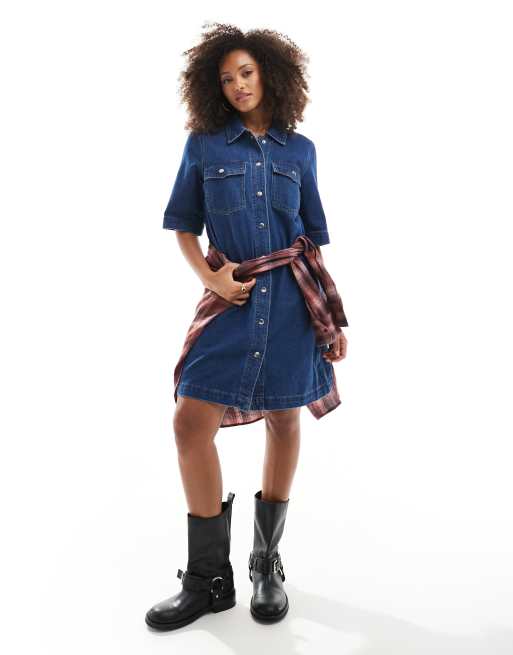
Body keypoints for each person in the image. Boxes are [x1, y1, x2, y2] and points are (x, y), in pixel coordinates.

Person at [145, 22, 349, 631]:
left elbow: (311, 239)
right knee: (190, 422)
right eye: (226, 77)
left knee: (285, 418)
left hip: (290, 305)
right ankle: (208, 579)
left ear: (270, 75)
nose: (237, 85)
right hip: (231, 301)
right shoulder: (205, 146)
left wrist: (328, 319)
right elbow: (183, 224)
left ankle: (265, 565)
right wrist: (210, 279)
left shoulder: (300, 151)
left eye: (247, 72)